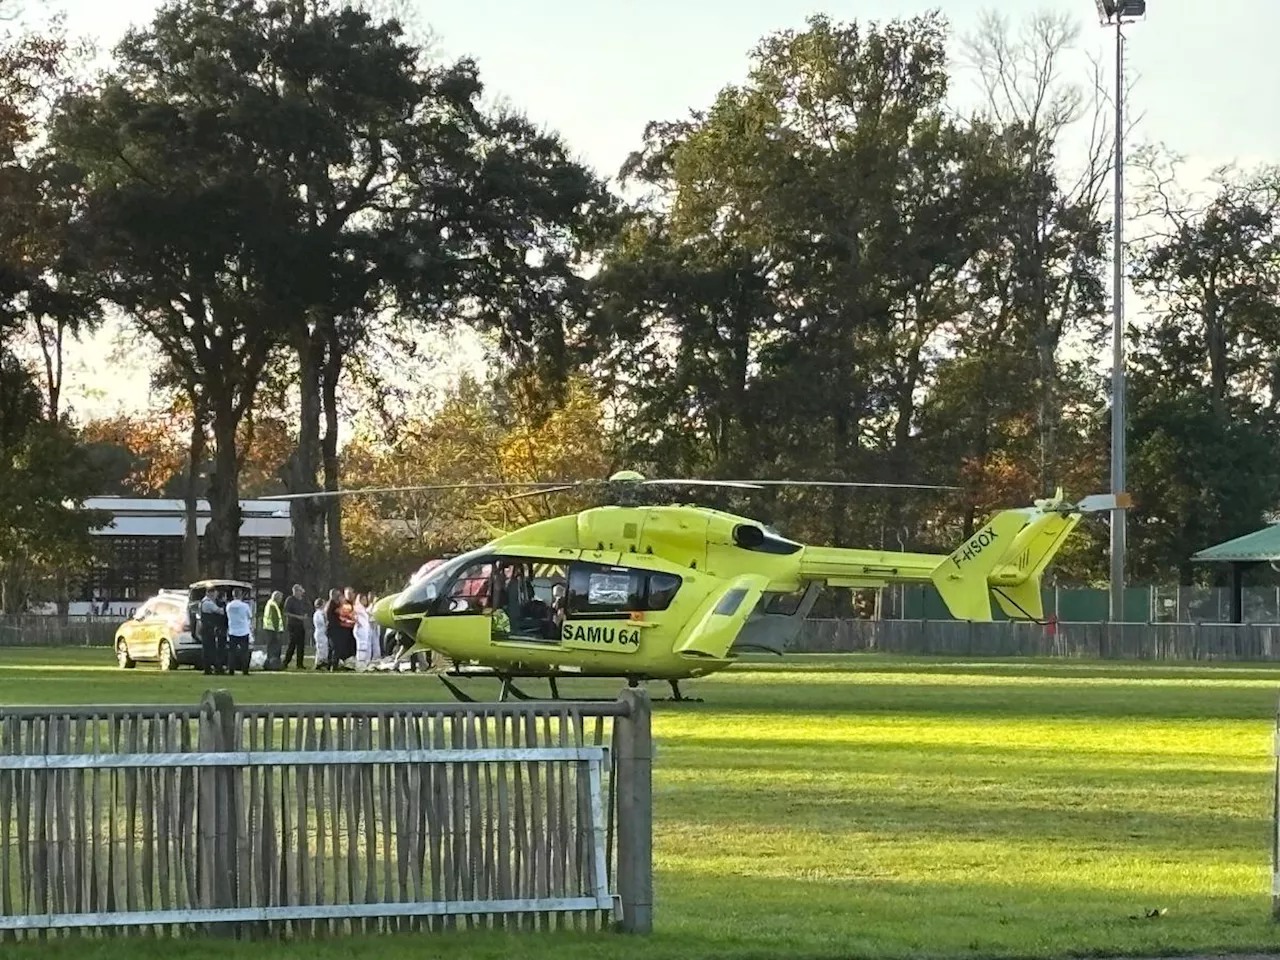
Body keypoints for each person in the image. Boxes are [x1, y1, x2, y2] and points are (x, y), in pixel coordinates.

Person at [225, 587, 252, 675]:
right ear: (240, 595)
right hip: (243, 631)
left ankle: (231, 670)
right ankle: (245, 670)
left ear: (233, 595)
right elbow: (249, 616)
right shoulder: (244, 606)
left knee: (232, 652)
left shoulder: (229, 606)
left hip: (232, 631)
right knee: (244, 652)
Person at [199, 586, 224, 675]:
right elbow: (220, 611)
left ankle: (208, 669)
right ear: (211, 593)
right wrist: (224, 605)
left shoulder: (203, 601)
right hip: (208, 629)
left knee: (207, 650)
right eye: (215, 594)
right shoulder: (208, 603)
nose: (216, 596)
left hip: (206, 629)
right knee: (211, 650)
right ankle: (217, 669)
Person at [282, 584, 308, 669]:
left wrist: (304, 615)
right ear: (296, 591)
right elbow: (286, 612)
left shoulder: (302, 600)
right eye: (300, 591)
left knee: (301, 646)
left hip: (301, 625)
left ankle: (300, 664)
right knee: (292, 645)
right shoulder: (290, 600)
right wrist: (297, 616)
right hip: (293, 625)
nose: (301, 593)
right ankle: (285, 662)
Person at [262, 590, 285, 670]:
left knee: (270, 648)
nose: (281, 600)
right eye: (280, 598)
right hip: (273, 630)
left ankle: (268, 664)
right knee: (275, 649)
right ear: (277, 598)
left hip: (268, 629)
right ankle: (274, 665)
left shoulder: (270, 603)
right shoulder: (273, 605)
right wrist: (277, 632)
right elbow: (275, 619)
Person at [312, 597, 330, 670]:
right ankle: (319, 663)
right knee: (321, 648)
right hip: (320, 633)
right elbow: (322, 622)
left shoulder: (322, 613)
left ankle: (322, 662)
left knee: (324, 648)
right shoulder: (318, 613)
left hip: (323, 633)